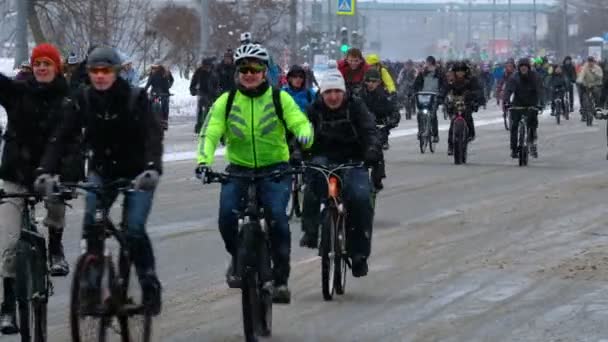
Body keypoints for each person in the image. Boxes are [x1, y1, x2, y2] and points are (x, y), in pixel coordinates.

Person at [36, 46, 163, 316]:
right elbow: (61, 136)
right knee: (92, 225)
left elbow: (153, 135)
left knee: (134, 229)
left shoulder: (135, 98)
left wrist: (152, 169)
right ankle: (92, 290)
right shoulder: (83, 99)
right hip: (101, 172)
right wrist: (45, 170)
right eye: (95, 70)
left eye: (106, 70)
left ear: (116, 72)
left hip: (138, 173)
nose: (100, 76)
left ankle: (149, 285)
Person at [195, 43, 313, 304]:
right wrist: (203, 162)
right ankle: (238, 258)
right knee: (226, 217)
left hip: (275, 169)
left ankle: (280, 280)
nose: (249, 73)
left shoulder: (279, 98)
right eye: (244, 68)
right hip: (239, 169)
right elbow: (210, 132)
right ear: (237, 72)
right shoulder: (225, 102)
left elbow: (299, 121)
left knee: (277, 221)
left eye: (255, 68)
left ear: (264, 71)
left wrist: (305, 135)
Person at [0, 43, 79, 334]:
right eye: (37, 64)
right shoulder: (19, 93)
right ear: (32, 68)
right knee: (7, 245)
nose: (42, 68)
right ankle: (7, 306)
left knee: (57, 199)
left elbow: (72, 144)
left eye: (47, 63)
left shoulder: (68, 99)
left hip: (51, 174)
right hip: (16, 175)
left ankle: (55, 246)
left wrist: (68, 178)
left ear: (57, 67)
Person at [299, 72, 380, 278]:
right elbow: (299, 133)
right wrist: (297, 150)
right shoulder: (313, 110)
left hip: (353, 161)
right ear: (322, 93)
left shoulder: (356, 106)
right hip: (322, 160)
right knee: (310, 189)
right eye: (328, 92)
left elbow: (369, 130)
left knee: (361, 199)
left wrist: (372, 150)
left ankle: (359, 254)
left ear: (343, 92)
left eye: (337, 92)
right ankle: (310, 232)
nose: (333, 97)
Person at [360, 69, 400, 191]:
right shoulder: (358, 96)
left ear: (379, 82)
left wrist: (392, 121)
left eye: (374, 81)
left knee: (375, 150)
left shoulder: (385, 96)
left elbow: (394, 111)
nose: (371, 84)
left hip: (379, 128)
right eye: (368, 81)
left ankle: (377, 177)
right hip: (361, 128)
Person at [503, 58, 544, 159]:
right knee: (514, 126)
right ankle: (514, 149)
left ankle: (532, 143)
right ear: (519, 68)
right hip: (518, 103)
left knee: (532, 123)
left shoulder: (535, 77)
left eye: (525, 67)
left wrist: (541, 102)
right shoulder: (514, 77)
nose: (523, 69)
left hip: (532, 103)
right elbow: (508, 90)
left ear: (528, 67)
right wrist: (506, 101)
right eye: (521, 67)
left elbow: (540, 90)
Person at [444, 61, 484, 156]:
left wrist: (474, 96)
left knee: (468, 116)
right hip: (454, 103)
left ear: (465, 71)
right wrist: (441, 97)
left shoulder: (472, 80)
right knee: (453, 121)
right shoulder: (451, 80)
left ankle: (471, 134)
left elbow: (478, 91)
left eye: (462, 71)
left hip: (467, 103)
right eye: (457, 71)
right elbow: (444, 90)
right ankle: (451, 145)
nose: (460, 73)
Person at [413, 56, 445, 143]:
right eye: (427, 64)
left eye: (430, 64)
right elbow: (416, 84)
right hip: (423, 96)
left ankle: (435, 135)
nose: (428, 66)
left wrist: (441, 94)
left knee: (433, 115)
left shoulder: (440, 74)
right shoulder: (422, 73)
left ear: (434, 65)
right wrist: (414, 92)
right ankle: (421, 130)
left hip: (435, 96)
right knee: (420, 113)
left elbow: (443, 85)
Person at [191, 57, 219, 134]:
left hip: (213, 93)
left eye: (207, 67)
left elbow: (219, 82)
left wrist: (218, 91)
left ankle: (211, 125)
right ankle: (199, 125)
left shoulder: (215, 71)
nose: (206, 68)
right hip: (202, 92)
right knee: (201, 108)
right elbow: (194, 81)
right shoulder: (199, 71)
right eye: (204, 66)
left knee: (212, 109)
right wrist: (193, 89)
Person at [145, 61, 174, 130]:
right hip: (156, 93)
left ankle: (164, 121)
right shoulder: (152, 75)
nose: (154, 69)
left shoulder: (166, 73)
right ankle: (155, 121)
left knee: (165, 105)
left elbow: (172, 80)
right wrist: (144, 91)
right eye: (153, 68)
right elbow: (148, 84)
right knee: (153, 105)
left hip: (163, 93)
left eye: (155, 68)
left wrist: (169, 86)